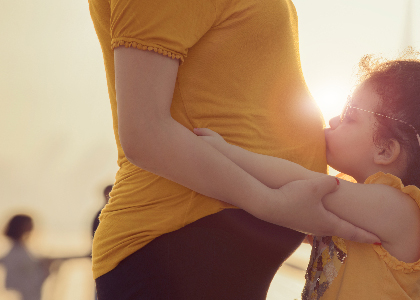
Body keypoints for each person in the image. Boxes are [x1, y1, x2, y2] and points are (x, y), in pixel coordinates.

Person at [88, 0, 378, 299]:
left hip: (203, 250)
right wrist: (273, 205)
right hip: (174, 246)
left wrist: (296, 209)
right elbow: (145, 133)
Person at [194, 54, 420, 299]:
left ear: (385, 150)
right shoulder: (366, 203)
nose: (332, 119)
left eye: (349, 116)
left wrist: (226, 152)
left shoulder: (397, 209)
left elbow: (298, 181)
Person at [0, 215, 51, 300]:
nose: (32, 227)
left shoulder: (24, 249)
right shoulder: (15, 252)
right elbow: (13, 283)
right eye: (29, 225)